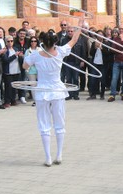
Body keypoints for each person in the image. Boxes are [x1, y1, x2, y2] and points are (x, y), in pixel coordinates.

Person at [22, 17, 83, 167]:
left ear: (43, 43)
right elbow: (74, 40)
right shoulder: (60, 51)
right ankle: (59, 154)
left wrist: (30, 64)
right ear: (55, 42)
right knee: (59, 123)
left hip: (43, 91)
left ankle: (48, 157)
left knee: (44, 124)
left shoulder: (36, 54)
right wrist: (79, 25)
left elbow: (24, 66)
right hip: (56, 90)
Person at [108, 26, 123, 102]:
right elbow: (113, 49)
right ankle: (112, 94)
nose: (121, 30)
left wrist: (122, 40)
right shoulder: (115, 39)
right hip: (117, 61)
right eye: (120, 29)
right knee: (114, 79)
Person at [87, 30, 111, 100]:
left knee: (102, 80)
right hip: (95, 63)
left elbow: (108, 53)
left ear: (103, 35)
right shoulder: (94, 43)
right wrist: (95, 48)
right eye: (98, 35)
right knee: (93, 79)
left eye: (101, 34)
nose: (99, 36)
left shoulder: (106, 43)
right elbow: (91, 53)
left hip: (103, 64)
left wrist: (101, 48)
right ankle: (93, 94)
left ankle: (102, 94)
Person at [2, 35, 24, 108]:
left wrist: (20, 56)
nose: (10, 43)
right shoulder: (5, 50)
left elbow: (20, 60)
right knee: (8, 87)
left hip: (16, 70)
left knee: (14, 86)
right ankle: (7, 101)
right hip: (9, 72)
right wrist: (15, 55)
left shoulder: (15, 49)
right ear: (6, 42)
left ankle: (13, 100)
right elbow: (5, 60)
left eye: (11, 41)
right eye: (8, 41)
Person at [13, 29, 30, 104]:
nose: (22, 35)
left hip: (26, 63)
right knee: (18, 79)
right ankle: (18, 95)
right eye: (21, 33)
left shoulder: (28, 42)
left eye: (24, 34)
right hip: (17, 62)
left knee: (24, 79)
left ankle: (23, 96)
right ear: (18, 34)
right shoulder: (14, 42)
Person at [25, 36, 40, 107]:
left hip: (40, 70)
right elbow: (26, 60)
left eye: (35, 41)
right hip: (31, 70)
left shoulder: (40, 50)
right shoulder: (27, 51)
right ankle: (35, 100)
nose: (33, 42)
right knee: (33, 86)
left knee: (41, 85)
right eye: (32, 41)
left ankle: (41, 99)